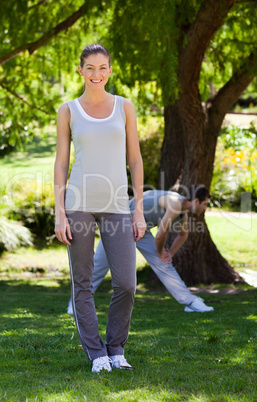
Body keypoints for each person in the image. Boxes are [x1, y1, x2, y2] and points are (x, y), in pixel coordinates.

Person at [54, 43, 146, 373]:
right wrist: (59, 212)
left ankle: (116, 347)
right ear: (80, 71)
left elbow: (134, 159)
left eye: (102, 67)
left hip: (118, 205)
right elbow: (61, 164)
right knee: (83, 284)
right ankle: (97, 354)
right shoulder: (68, 110)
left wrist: (138, 209)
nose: (97, 74)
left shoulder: (125, 107)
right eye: (90, 68)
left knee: (125, 282)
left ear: (110, 70)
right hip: (78, 203)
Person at [67, 186, 214, 315]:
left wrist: (170, 253)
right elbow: (161, 235)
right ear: (196, 201)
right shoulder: (175, 203)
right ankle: (76, 303)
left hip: (134, 227)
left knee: (161, 263)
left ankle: (190, 302)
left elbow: (183, 235)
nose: (205, 208)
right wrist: (161, 252)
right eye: (205, 204)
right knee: (100, 265)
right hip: (121, 222)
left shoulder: (182, 213)